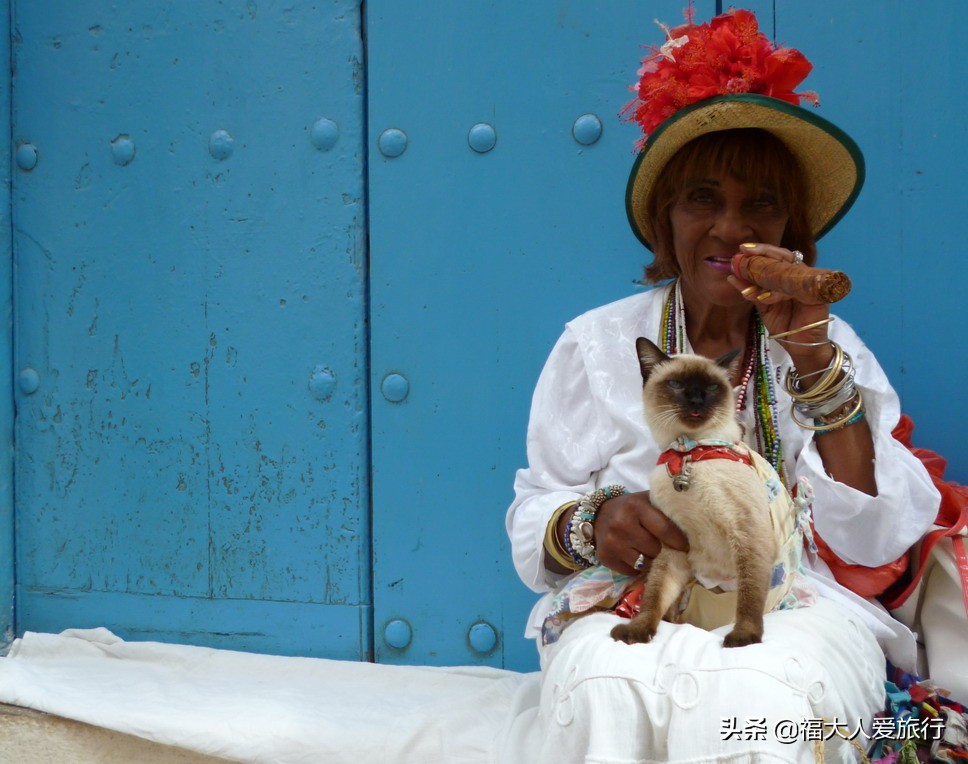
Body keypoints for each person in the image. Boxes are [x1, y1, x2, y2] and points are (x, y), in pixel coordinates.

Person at [506, 9, 941, 762]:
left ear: (790, 230)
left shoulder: (829, 344)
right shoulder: (597, 344)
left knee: (755, 695)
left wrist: (812, 360)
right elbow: (534, 515)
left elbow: (874, 541)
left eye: (760, 204)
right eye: (703, 198)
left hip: (795, 604)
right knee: (606, 685)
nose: (731, 228)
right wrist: (596, 522)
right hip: (634, 595)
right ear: (666, 219)